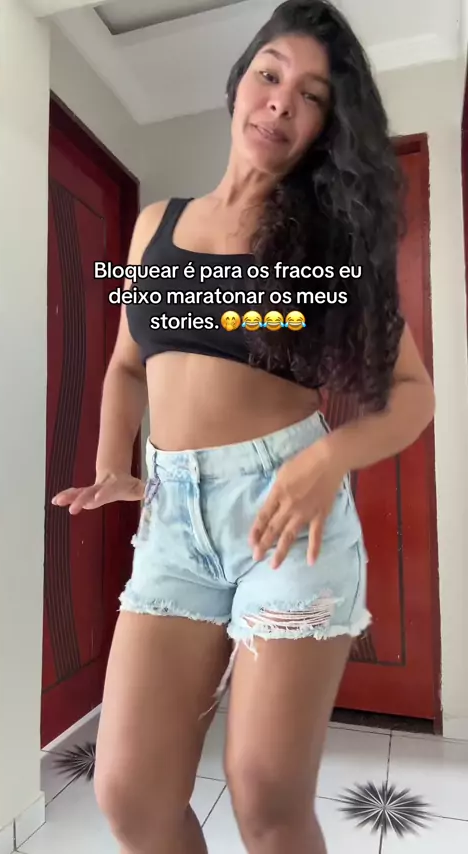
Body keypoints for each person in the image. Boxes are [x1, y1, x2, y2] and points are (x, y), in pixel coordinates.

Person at [52, 1, 435, 852]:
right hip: (172, 521)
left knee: (265, 798)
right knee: (130, 795)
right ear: (239, 82)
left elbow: (414, 392)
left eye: (311, 96)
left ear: (325, 127)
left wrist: (330, 460)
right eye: (269, 75)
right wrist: (116, 464)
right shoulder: (155, 225)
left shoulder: (327, 245)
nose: (280, 102)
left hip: (286, 515)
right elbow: (126, 366)